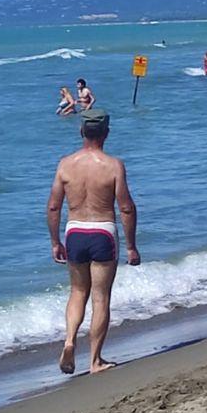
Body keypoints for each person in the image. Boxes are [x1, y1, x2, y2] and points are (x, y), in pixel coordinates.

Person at [46, 109, 140, 375]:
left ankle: (69, 341)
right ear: (106, 133)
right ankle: (95, 360)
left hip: (74, 232)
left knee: (77, 292)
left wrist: (55, 241)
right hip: (103, 232)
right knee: (100, 298)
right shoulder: (113, 166)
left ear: (81, 131)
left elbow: (54, 207)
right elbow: (126, 208)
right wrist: (131, 246)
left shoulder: (65, 164)